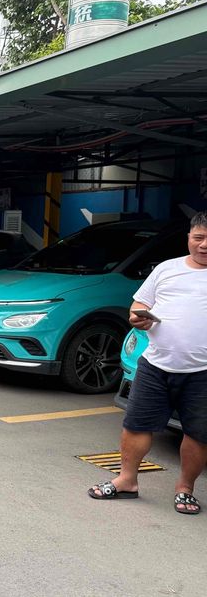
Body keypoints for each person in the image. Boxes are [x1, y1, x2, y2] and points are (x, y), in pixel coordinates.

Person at [88, 211, 207, 514]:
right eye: (199, 237)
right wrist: (136, 316)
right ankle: (127, 481)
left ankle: (185, 489)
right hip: (155, 364)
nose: (204, 245)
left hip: (202, 372)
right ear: (189, 237)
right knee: (136, 425)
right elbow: (140, 303)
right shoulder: (166, 269)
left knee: (198, 433)